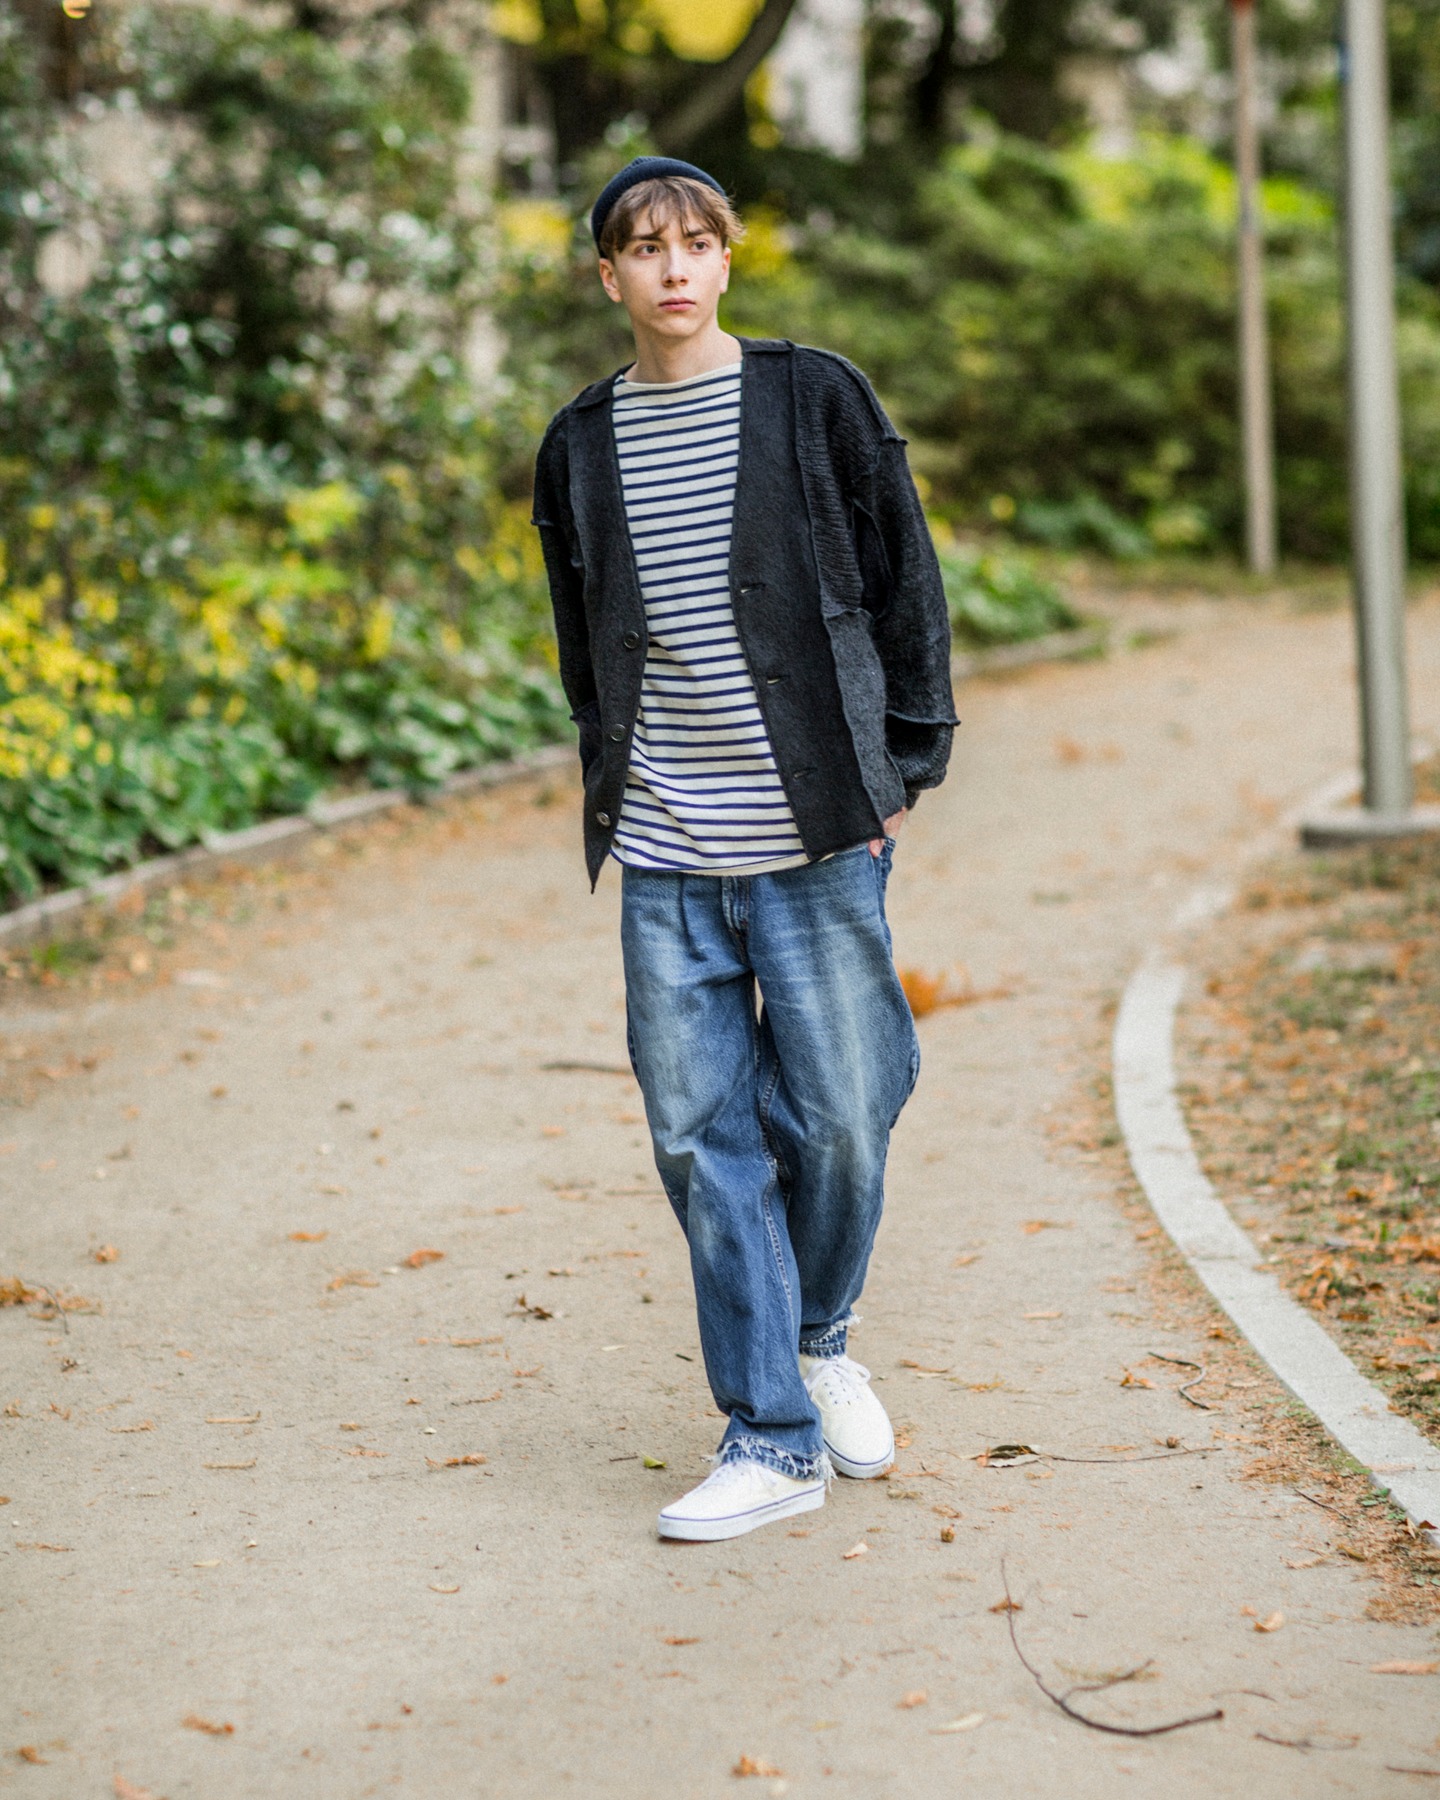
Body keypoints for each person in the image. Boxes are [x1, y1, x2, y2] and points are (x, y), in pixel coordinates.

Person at [531, 156, 956, 1542]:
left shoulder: (811, 394)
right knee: (701, 1137)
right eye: (644, 248)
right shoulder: (580, 441)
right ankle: (770, 1432)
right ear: (609, 275)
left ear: (726, 259)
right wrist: (610, 769)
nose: (673, 268)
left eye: (696, 243)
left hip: (817, 833)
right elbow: (583, 635)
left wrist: (905, 765)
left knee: (844, 1108)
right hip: (665, 846)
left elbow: (903, 579)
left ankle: (819, 1338)